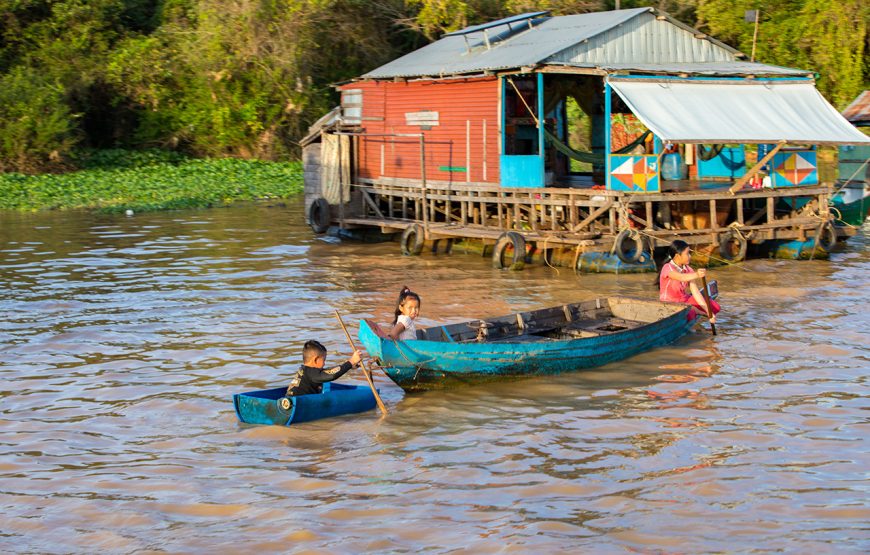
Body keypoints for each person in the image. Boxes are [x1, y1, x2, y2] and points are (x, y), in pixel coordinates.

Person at [659, 240, 720, 324]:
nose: (690, 256)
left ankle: (699, 312)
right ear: (677, 256)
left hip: (684, 300)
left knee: (715, 307)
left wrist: (709, 312)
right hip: (669, 303)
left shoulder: (688, 269)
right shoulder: (667, 267)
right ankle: (697, 312)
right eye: (687, 253)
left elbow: (696, 293)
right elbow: (681, 277)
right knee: (690, 313)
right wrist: (697, 274)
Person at [286, 340, 362, 396]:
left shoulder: (304, 370)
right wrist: (351, 361)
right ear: (315, 360)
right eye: (324, 360)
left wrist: (349, 366)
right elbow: (332, 375)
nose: (324, 363)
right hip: (297, 405)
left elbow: (328, 371)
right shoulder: (312, 373)